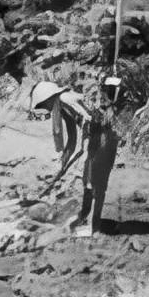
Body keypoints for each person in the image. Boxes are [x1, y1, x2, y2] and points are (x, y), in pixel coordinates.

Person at [30, 78, 120, 235]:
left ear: (48, 98)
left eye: (44, 105)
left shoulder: (65, 98)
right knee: (88, 182)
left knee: (95, 185)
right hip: (95, 139)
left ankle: (93, 227)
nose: (47, 109)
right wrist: (64, 160)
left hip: (103, 139)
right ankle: (85, 217)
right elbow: (72, 136)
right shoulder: (61, 106)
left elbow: (88, 117)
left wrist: (86, 146)